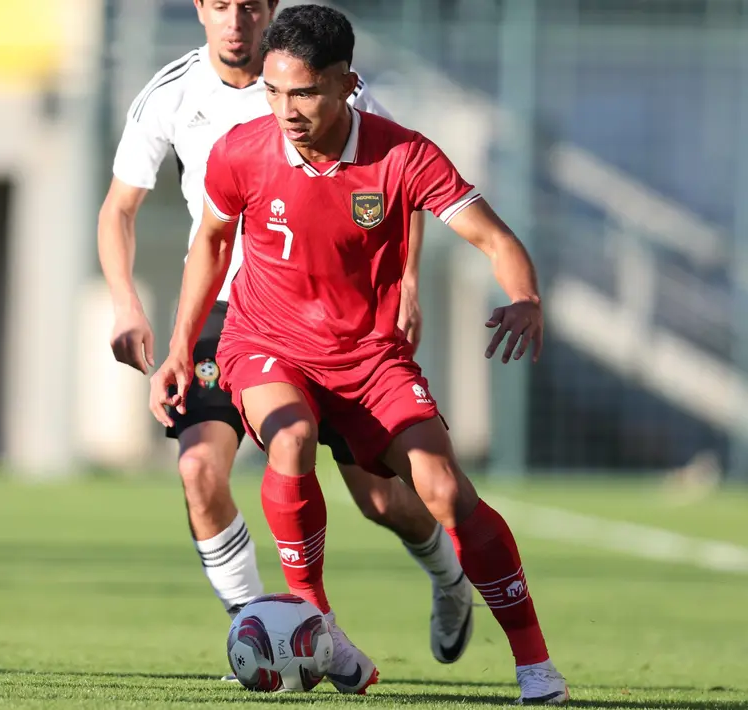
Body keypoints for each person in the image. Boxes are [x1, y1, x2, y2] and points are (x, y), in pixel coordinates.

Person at [149, 5, 569, 704]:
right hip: (265, 341)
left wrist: (524, 296)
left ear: (347, 83)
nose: (286, 109)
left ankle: (535, 666)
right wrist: (176, 348)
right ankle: (319, 623)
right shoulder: (241, 151)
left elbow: (494, 239)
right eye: (274, 92)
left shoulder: (402, 154)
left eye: (304, 92)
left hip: (368, 356)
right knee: (289, 438)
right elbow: (212, 246)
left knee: (438, 490)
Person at [98, 0, 472, 681]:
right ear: (198, 9)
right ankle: (272, 629)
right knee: (197, 470)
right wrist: (126, 304)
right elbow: (118, 206)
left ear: (270, 9)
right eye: (219, 4)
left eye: (249, 5)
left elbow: (400, 179)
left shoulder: (332, 84)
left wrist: (407, 281)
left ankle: (449, 580)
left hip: (334, 316)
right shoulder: (169, 93)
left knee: (381, 499)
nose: (235, 19)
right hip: (225, 312)